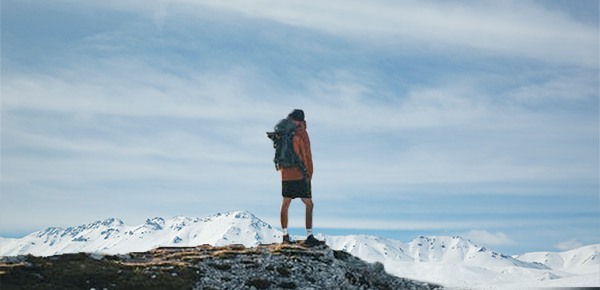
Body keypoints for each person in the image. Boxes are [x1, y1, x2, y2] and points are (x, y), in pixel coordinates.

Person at [279, 109, 319, 246]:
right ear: (301, 120)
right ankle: (309, 236)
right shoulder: (301, 132)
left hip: (285, 174)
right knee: (309, 204)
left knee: (285, 203)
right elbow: (306, 154)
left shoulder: (283, 132)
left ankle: (285, 236)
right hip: (300, 173)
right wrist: (309, 174)